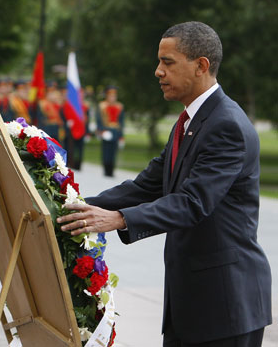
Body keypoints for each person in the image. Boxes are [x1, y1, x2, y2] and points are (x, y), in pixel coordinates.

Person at [58, 21, 271, 346]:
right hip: (192, 303)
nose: (158, 72)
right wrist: (73, 206)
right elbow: (146, 186)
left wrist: (118, 219)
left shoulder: (225, 125)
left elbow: (193, 202)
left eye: (168, 62)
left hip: (225, 304)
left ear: (201, 66)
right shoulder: (189, 121)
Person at [96, 85, 124, 177]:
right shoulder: (102, 106)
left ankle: (111, 170)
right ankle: (106, 169)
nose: (112, 98)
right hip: (106, 131)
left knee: (113, 152)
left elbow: (121, 122)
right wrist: (101, 131)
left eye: (114, 96)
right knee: (106, 151)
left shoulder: (119, 106)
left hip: (115, 131)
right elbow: (99, 120)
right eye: (110, 95)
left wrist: (121, 136)